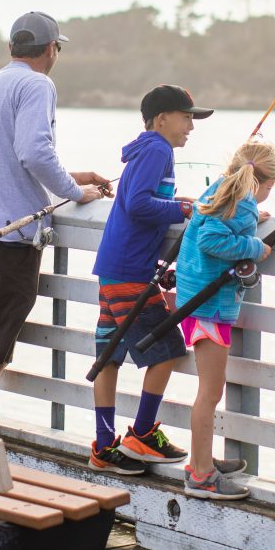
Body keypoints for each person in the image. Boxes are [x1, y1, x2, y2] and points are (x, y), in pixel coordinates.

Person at [0, 11, 110, 393]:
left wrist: (74, 175)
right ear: (52, 49)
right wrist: (75, 193)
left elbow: (7, 159)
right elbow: (34, 153)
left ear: (11, 47)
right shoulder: (37, 85)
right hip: (9, 241)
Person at [88, 86, 213, 476]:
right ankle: (141, 433)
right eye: (186, 116)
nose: (191, 126)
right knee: (169, 349)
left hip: (114, 268)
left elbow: (136, 207)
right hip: (129, 272)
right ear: (162, 120)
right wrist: (185, 207)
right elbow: (139, 204)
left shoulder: (145, 149)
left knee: (108, 356)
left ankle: (105, 446)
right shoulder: (159, 149)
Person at [175, 139, 275, 500]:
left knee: (209, 390)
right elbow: (211, 239)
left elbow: (217, 223)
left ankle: (201, 460)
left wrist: (251, 223)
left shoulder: (222, 190)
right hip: (209, 307)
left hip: (196, 301)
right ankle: (201, 475)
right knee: (210, 392)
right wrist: (254, 246)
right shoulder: (243, 204)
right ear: (265, 183)